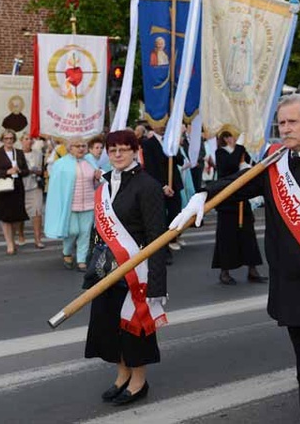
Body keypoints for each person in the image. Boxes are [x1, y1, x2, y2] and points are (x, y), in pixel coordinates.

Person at [172, 94, 300, 424]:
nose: (286, 129)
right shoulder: (277, 163)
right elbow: (240, 185)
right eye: (282, 123)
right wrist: (205, 194)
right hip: (288, 284)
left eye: (293, 122)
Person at [84, 129, 169, 406]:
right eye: (112, 150)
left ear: (135, 151)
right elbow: (97, 229)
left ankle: (138, 381)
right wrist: (91, 265)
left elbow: (158, 238)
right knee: (109, 326)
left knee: (134, 329)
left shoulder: (148, 186)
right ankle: (122, 374)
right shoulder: (105, 184)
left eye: (123, 149)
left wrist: (157, 283)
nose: (117, 154)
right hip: (107, 268)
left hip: (137, 270)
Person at [211, 130, 266, 285]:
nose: (234, 139)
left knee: (248, 235)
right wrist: (240, 147)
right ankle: (224, 271)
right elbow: (230, 164)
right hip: (227, 200)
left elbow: (248, 166)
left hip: (242, 198)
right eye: (232, 136)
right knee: (226, 237)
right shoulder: (220, 153)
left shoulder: (241, 152)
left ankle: (252, 269)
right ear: (226, 138)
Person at [44, 137, 100, 271]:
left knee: (85, 233)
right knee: (73, 231)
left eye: (83, 146)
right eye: (77, 146)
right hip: (71, 204)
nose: (81, 148)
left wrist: (98, 177)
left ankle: (81, 260)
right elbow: (56, 186)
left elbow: (98, 183)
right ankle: (67, 251)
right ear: (70, 148)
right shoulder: (61, 163)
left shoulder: (90, 161)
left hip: (88, 203)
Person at [141, 126, 184, 255]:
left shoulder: (172, 142)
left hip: (174, 184)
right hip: (159, 186)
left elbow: (180, 161)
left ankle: (173, 237)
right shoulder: (148, 143)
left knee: (175, 213)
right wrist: (163, 186)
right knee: (160, 218)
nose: (163, 126)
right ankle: (163, 246)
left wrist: (173, 151)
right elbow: (150, 168)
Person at [0, 129, 29, 255]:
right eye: (6, 138)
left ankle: (14, 237)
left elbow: (26, 171)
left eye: (11, 138)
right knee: (5, 217)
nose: (9, 141)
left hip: (17, 187)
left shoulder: (19, 153)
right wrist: (6, 172)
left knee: (17, 217)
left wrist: (19, 171)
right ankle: (9, 243)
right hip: (3, 188)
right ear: (2, 140)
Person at [18, 133, 45, 249]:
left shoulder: (38, 154)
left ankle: (37, 239)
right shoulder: (17, 154)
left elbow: (42, 169)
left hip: (35, 185)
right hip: (20, 186)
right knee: (20, 213)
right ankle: (21, 235)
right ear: (21, 141)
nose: (29, 141)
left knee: (37, 212)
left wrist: (39, 172)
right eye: (26, 139)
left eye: (30, 139)